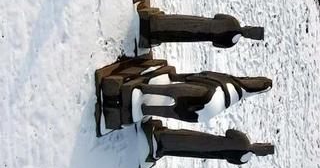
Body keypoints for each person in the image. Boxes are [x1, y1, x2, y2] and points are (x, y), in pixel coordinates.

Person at [95, 56, 271, 135]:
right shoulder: (234, 95)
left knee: (172, 90)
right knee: (172, 111)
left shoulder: (228, 81)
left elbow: (200, 76)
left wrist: (177, 77)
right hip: (206, 113)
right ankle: (146, 108)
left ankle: (143, 89)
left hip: (212, 94)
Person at [140, 120, 274, 168]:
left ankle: (159, 137)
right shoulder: (243, 159)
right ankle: (162, 149)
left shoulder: (244, 140)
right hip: (212, 153)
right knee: (186, 151)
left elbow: (229, 132)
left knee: (185, 138)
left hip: (210, 141)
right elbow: (230, 159)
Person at [135, 0, 264, 50]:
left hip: (199, 22)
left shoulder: (232, 20)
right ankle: (156, 35)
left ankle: (156, 22)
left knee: (178, 22)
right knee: (178, 35)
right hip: (199, 35)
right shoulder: (231, 42)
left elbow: (217, 16)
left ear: (249, 27)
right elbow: (216, 44)